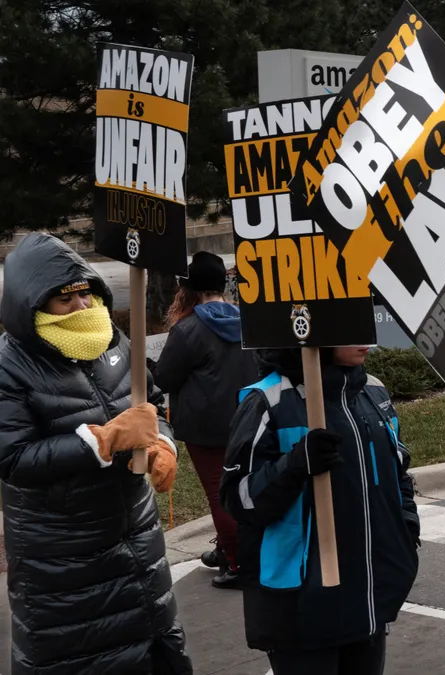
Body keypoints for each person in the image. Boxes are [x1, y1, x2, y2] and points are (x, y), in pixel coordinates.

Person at [0, 233, 189, 674]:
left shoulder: (115, 340)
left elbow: (151, 402)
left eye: (86, 293)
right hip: (64, 567)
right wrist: (98, 442)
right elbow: (12, 458)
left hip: (139, 547)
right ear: (32, 306)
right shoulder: (9, 366)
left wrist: (161, 441)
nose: (82, 307)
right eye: (65, 300)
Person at [220, 345, 420, 675]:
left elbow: (399, 468)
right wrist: (294, 466)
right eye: (349, 329)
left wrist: (406, 528)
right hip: (301, 610)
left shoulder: (373, 391)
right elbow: (238, 499)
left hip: (370, 597)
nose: (365, 341)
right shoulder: (268, 402)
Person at [155, 251, 259, 588]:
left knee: (219, 494)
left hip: (205, 427)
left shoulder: (187, 330)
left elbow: (166, 379)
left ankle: (238, 561)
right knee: (246, 486)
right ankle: (234, 547)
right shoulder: (250, 320)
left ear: (188, 291)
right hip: (250, 417)